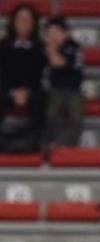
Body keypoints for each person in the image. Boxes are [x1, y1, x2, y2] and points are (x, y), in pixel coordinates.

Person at [0, 3, 47, 151]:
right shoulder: (3, 46)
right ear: (13, 23)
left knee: (43, 99)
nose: (23, 24)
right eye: (20, 19)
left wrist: (26, 93)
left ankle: (36, 143)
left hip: (32, 91)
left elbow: (41, 77)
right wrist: (12, 94)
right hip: (6, 90)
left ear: (34, 24)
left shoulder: (41, 48)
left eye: (27, 20)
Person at [44, 16, 84, 148]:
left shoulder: (73, 47)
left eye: (56, 32)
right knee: (50, 114)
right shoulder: (47, 47)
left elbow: (59, 63)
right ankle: (48, 143)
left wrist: (51, 50)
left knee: (76, 118)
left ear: (66, 33)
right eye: (50, 33)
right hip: (56, 89)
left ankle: (69, 145)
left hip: (73, 89)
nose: (53, 36)